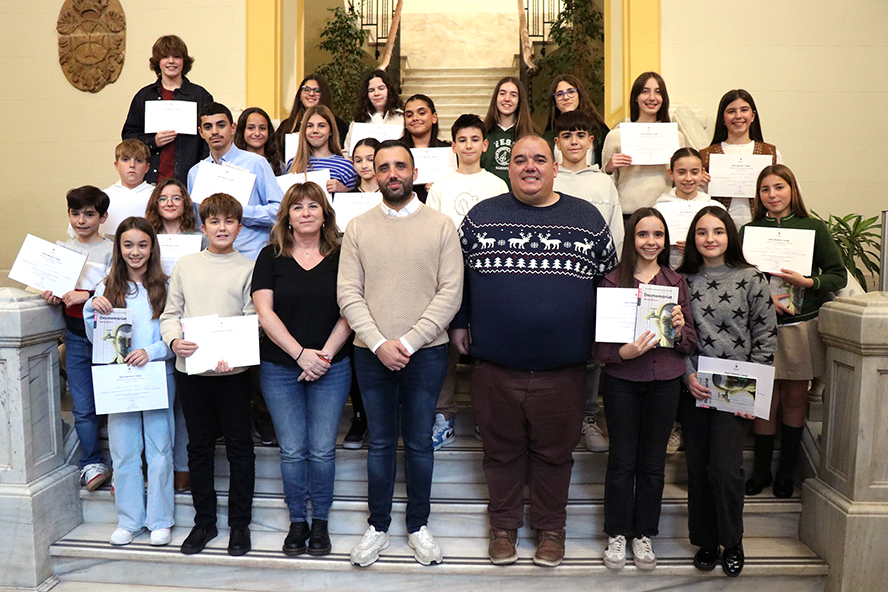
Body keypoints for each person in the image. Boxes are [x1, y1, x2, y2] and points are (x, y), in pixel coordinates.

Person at [452, 135, 617, 567]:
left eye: (539, 159)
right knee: (500, 453)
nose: (530, 167)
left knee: (555, 456)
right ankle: (503, 529)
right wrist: (456, 324)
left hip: (563, 369)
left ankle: (551, 531)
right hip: (495, 365)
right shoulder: (480, 217)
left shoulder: (587, 219)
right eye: (521, 160)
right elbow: (455, 280)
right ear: (509, 168)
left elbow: (610, 286)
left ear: (555, 166)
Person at [337, 139, 463, 567]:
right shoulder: (358, 227)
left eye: (400, 166)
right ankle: (378, 527)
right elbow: (348, 294)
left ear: (414, 172)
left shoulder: (442, 225)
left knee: (420, 444)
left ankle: (418, 526)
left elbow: (450, 294)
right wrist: (378, 342)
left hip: (426, 354)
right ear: (373, 172)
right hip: (371, 354)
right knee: (380, 444)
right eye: (384, 166)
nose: (392, 173)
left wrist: (407, 342)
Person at [593, 208, 697, 570]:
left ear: (665, 240)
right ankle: (617, 533)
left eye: (657, 235)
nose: (650, 242)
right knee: (622, 460)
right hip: (623, 382)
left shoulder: (676, 282)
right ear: (631, 239)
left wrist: (681, 327)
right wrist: (623, 353)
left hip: (665, 382)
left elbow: (690, 342)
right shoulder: (611, 281)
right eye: (642, 234)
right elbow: (598, 347)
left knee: (653, 463)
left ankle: (644, 534)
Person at [253, 182, 352, 557]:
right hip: (280, 367)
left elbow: (352, 309)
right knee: (293, 450)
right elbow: (265, 312)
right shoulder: (270, 256)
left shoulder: (343, 255)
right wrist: (300, 355)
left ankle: (321, 523)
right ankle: (298, 521)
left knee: (323, 449)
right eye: (298, 207)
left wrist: (323, 356)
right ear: (287, 216)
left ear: (325, 213)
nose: (306, 212)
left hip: (334, 365)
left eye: (314, 205)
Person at [677, 206, 777, 577]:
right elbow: (677, 335)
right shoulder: (681, 279)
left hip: (737, 388)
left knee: (725, 469)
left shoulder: (751, 278)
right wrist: (687, 376)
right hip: (697, 386)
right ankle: (705, 540)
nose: (710, 239)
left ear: (730, 235)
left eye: (718, 231)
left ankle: (732, 540)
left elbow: (766, 337)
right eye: (702, 232)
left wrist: (753, 393)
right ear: (693, 238)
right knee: (699, 467)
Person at [160, 193, 257, 557]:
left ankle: (239, 525)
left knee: (239, 448)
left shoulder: (248, 267)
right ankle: (204, 522)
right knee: (198, 447)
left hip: (233, 371)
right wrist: (174, 341)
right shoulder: (186, 264)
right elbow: (171, 312)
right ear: (202, 227)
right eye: (214, 221)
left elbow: (253, 319)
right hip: (193, 370)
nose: (221, 227)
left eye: (229, 221)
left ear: (239, 227)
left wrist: (234, 355)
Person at [741, 165, 845, 499]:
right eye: (765, 189)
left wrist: (808, 282)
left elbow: (837, 275)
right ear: (758, 196)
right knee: (764, 401)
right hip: (759, 328)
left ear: (792, 189)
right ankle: (760, 473)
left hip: (800, 327)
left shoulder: (814, 228)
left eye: (779, 187)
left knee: (795, 398)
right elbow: (738, 277)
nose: (772, 195)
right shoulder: (748, 230)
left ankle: (785, 473)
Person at [84, 217, 176, 547]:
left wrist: (151, 351)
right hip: (118, 383)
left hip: (156, 377)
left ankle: (160, 519)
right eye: (128, 245)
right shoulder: (106, 288)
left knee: (160, 451)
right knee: (124, 452)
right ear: (119, 248)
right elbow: (96, 337)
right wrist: (91, 309)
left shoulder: (166, 286)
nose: (135, 251)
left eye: (142, 244)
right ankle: (130, 519)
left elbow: (176, 335)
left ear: (152, 248)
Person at [425, 114, 508, 449]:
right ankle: (443, 415)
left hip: (488, 278)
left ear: (485, 145)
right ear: (453, 145)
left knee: (486, 349)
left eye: (475, 139)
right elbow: (430, 231)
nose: (469, 145)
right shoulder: (442, 185)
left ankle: (487, 417)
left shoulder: (497, 185)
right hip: (448, 276)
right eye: (463, 140)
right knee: (444, 350)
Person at [551, 109, 623, 453]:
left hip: (595, 282)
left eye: (580, 135)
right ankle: (560, 416)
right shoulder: (550, 179)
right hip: (554, 284)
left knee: (593, 354)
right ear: (557, 143)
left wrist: (612, 281)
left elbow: (616, 237)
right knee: (560, 349)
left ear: (591, 141)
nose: (574, 141)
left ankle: (587, 417)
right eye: (566, 136)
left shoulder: (604, 183)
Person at [42, 186, 114, 491]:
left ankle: (125, 462)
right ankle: (92, 461)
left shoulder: (112, 249)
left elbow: (120, 290)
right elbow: (53, 289)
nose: (81, 220)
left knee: (114, 399)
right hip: (74, 337)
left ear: (103, 217)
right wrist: (51, 294)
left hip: (107, 335)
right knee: (82, 404)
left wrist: (85, 295)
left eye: (89, 214)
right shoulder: (62, 249)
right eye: (75, 213)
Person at [144, 178, 206, 492]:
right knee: (156, 403)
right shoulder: (145, 239)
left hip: (192, 320)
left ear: (185, 204)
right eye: (163, 198)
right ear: (155, 203)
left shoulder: (199, 240)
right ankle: (157, 466)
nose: (169, 203)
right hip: (154, 321)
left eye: (176, 198)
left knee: (185, 405)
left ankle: (183, 467)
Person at [187, 102, 283, 262]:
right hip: (213, 260)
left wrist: (240, 212)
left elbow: (280, 212)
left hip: (252, 257)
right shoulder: (195, 172)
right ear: (201, 132)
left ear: (232, 128)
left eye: (221, 125)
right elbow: (197, 222)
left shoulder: (256, 163)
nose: (215, 132)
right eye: (208, 127)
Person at [122, 35, 213, 184]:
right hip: (150, 180)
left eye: (176, 57)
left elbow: (208, 141)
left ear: (184, 61)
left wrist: (201, 175)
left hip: (188, 181)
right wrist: (153, 141)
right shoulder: (144, 96)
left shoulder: (200, 96)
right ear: (158, 62)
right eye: (165, 57)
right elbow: (128, 136)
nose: (171, 61)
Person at [601, 72, 687, 218]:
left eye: (658, 92)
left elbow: (681, 180)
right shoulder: (616, 135)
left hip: (666, 214)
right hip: (627, 215)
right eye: (645, 92)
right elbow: (604, 185)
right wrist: (609, 168)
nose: (652, 98)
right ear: (635, 97)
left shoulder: (675, 137)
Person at [700, 90, 782, 228]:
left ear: (752, 116)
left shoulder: (770, 153)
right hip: (717, 231)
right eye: (731, 111)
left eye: (744, 110)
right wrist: (699, 183)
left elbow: (787, 191)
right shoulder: (706, 155)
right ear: (722, 119)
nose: (738, 116)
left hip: (761, 228)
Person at [67, 140, 155, 240]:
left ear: (147, 167)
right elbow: (75, 233)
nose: (132, 165)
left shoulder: (158, 196)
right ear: (116, 165)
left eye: (139, 160)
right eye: (126, 160)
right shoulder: (100, 197)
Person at [656, 148, 725, 270]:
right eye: (681, 172)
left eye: (694, 172)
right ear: (671, 174)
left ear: (703, 173)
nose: (688, 178)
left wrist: (695, 246)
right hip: (670, 269)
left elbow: (726, 243)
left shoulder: (715, 208)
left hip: (706, 272)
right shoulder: (660, 208)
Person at [286, 105, 358, 194]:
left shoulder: (346, 166)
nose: (315, 130)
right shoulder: (292, 164)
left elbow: (355, 202)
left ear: (331, 131)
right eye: (310, 126)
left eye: (321, 126)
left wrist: (344, 190)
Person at [480, 76, 536, 189]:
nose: (507, 99)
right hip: (487, 197)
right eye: (502, 93)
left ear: (520, 101)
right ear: (495, 98)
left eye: (513, 95)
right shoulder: (481, 134)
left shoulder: (532, 137)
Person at [544, 74, 609, 167]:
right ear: (554, 101)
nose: (566, 97)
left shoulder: (599, 130)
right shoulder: (548, 135)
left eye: (571, 92)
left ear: (579, 95)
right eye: (559, 94)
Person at [277, 74, 349, 153]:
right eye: (306, 90)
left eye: (317, 91)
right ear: (300, 95)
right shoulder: (287, 125)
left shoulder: (338, 124)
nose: (311, 94)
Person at [400, 94, 451, 202]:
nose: (415, 118)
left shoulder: (448, 151)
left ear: (434, 117)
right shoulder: (395, 151)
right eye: (409, 115)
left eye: (422, 113)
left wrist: (440, 187)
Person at [343, 69, 405, 156]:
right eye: (371, 90)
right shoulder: (358, 121)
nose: (376, 93)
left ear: (389, 90)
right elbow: (347, 152)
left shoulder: (402, 118)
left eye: (381, 88)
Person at [234, 107, 285, 176]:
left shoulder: (280, 167)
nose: (257, 133)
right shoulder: (232, 165)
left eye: (262, 128)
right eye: (251, 128)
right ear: (242, 131)